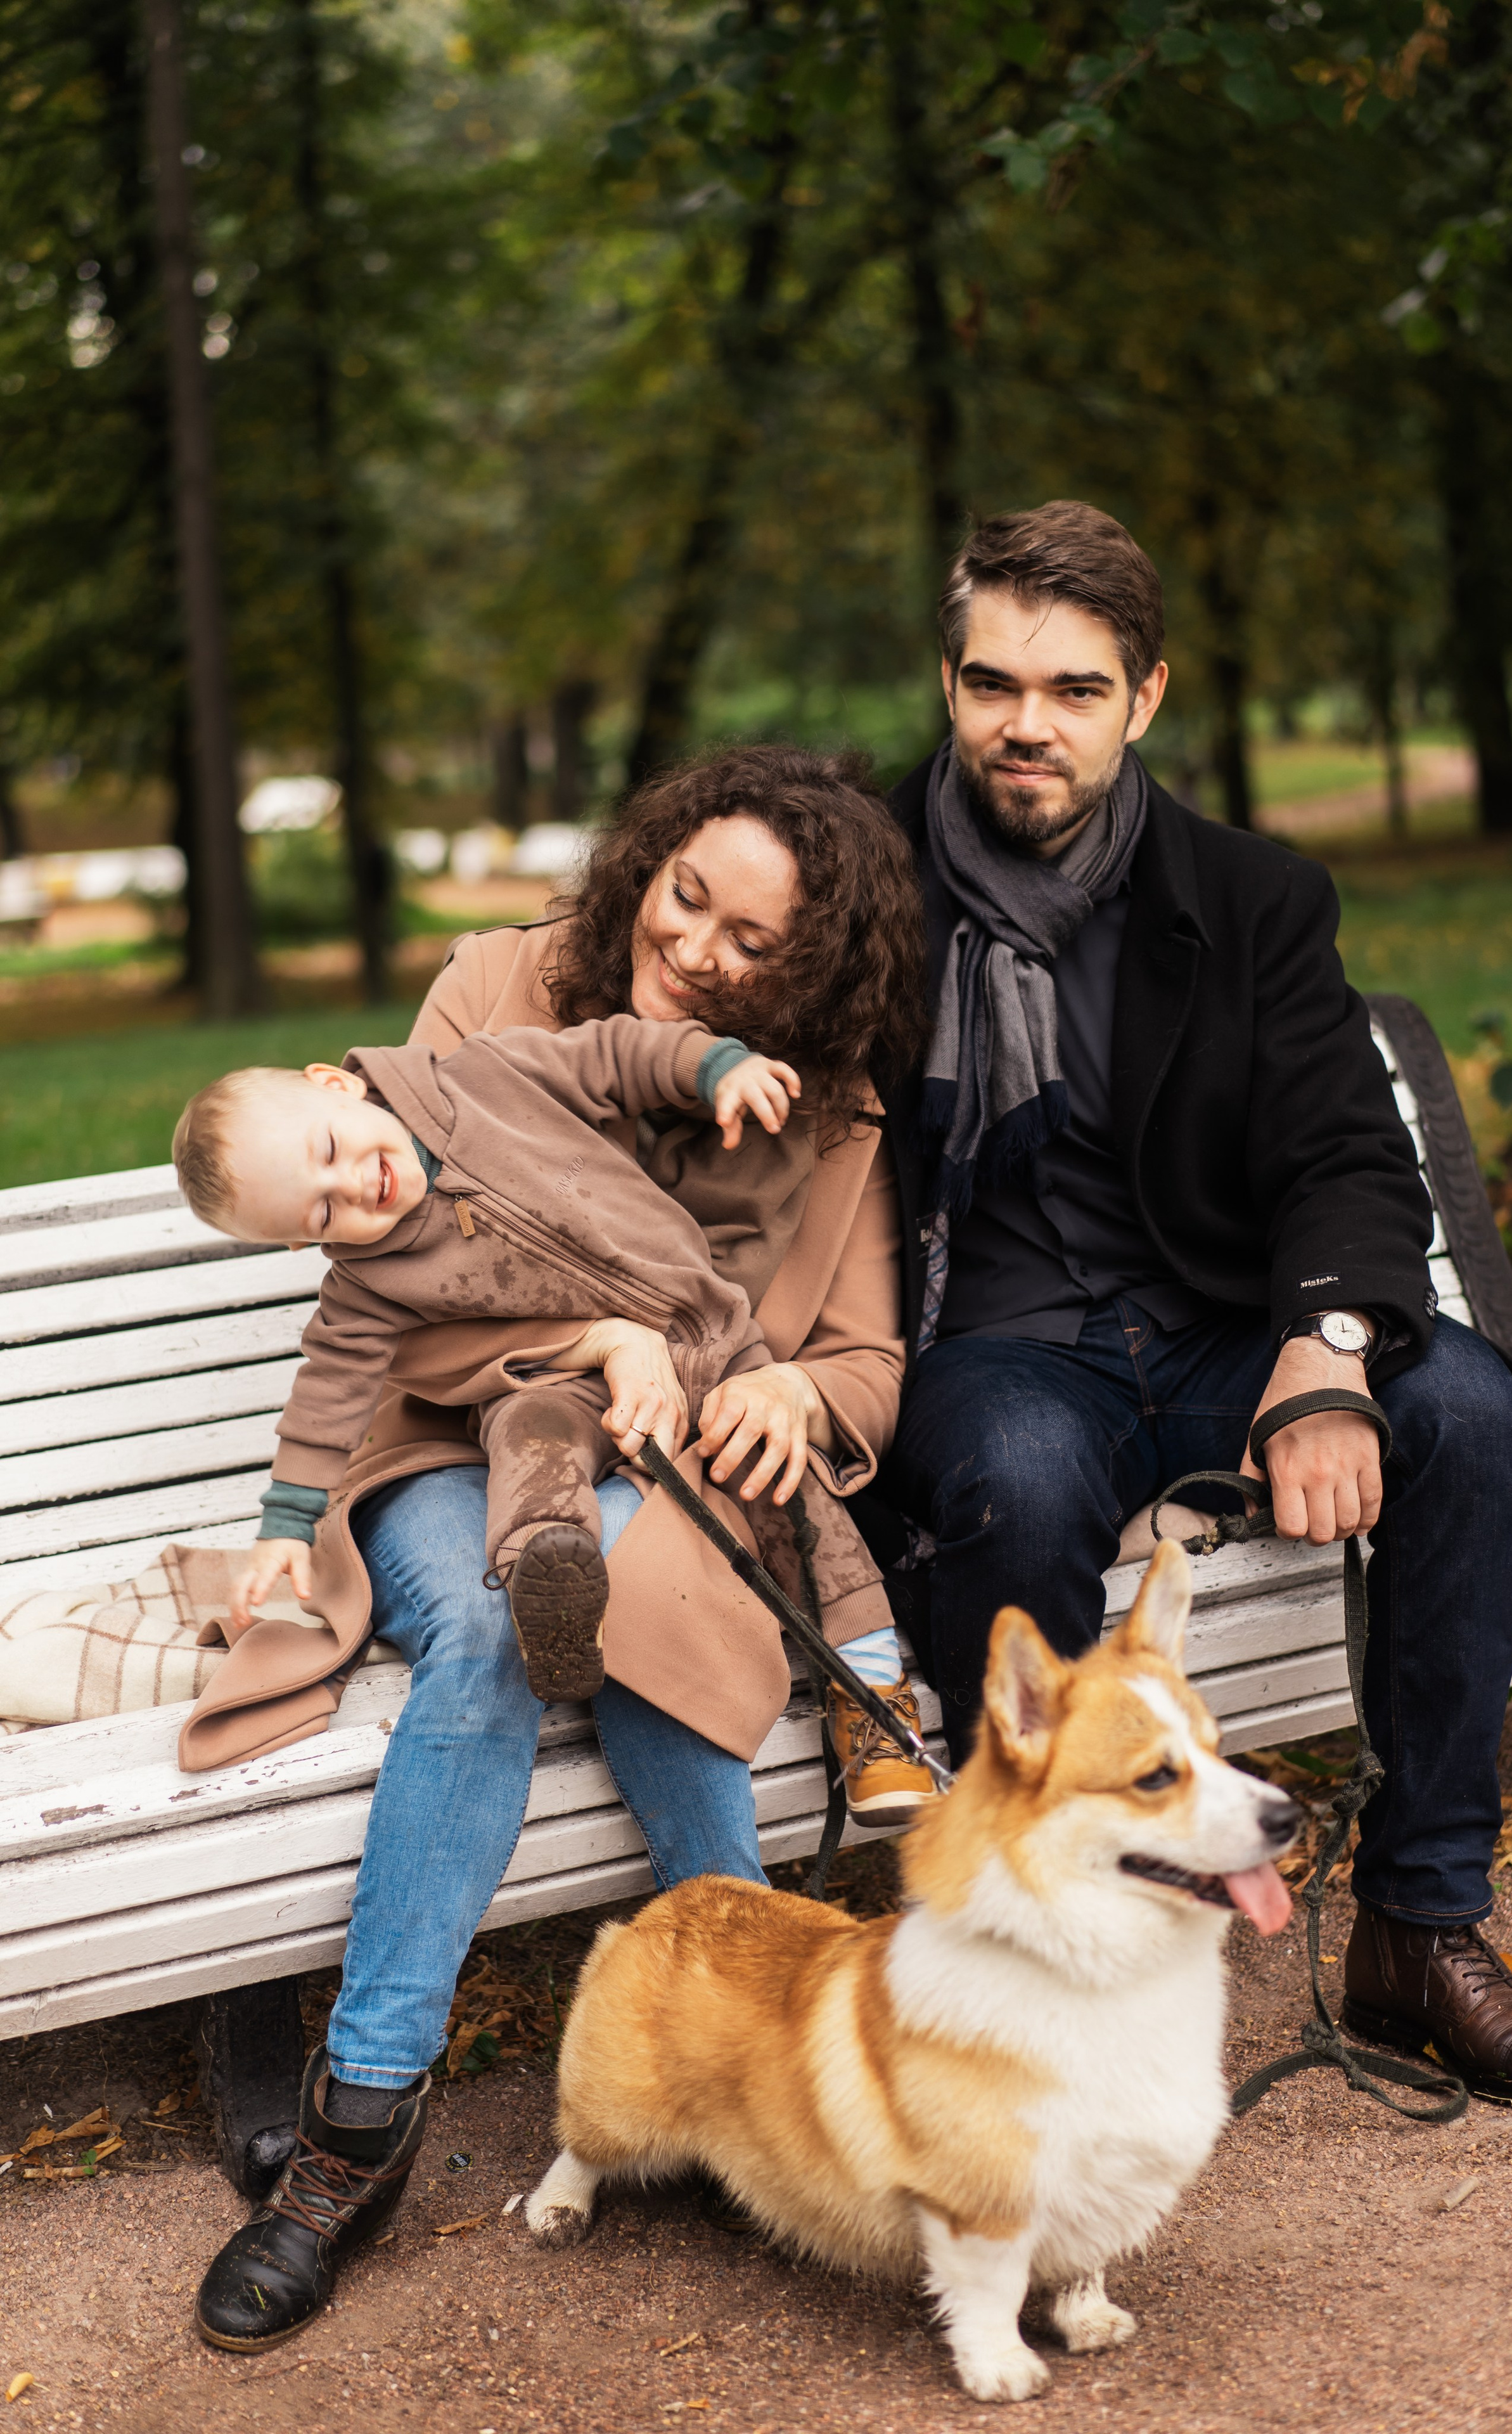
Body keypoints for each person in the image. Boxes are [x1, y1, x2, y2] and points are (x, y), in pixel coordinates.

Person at [878, 499, 1512, 2114]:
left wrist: (1327, 1342)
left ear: (1144, 697)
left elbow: (1348, 1159)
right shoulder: (857, 879)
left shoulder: (1249, 896)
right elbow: (649, 972)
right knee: (1014, 1474)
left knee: (1467, 1414)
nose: (1026, 723)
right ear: (946, 682)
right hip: (991, 1342)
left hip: (1213, 1321)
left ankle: (1420, 1931)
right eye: (993, 682)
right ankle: (1030, 1965)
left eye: (1072, 689)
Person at [190, 745, 932, 2353]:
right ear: (645, 862)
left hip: (669, 1461)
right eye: (686, 898)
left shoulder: (829, 1106)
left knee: (635, 1581)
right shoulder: (504, 988)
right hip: (453, 1443)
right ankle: (357, 2123)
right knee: (487, 1627)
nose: (701, 953)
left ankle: (731, 2064)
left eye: (757, 943)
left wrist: (795, 1389)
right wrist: (599, 1334)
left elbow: (866, 1361)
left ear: (813, 970)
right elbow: (397, 1313)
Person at [170, 1021, 886, 1703]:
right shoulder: (367, 1285)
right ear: (304, 1244)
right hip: (569, 1381)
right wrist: (287, 1523)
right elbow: (327, 1395)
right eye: (323, 1213)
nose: (352, 1187)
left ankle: (872, 1687)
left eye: (328, 1152)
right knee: (527, 1439)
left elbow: (614, 1057)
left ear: (336, 1085)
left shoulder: (485, 1077)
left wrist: (713, 1067)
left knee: (781, 1476)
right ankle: (552, 1588)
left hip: (711, 1334)